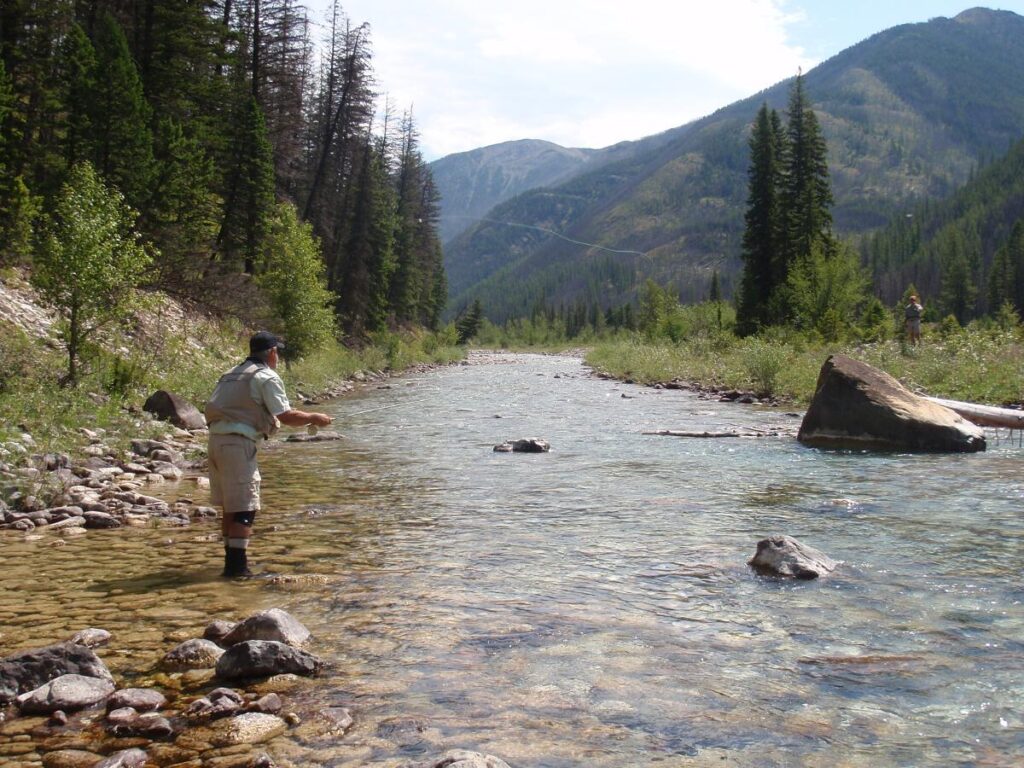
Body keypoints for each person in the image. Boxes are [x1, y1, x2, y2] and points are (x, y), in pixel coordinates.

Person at [205, 331, 333, 577]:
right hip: (238, 445)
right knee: (244, 507)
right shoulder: (266, 376)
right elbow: (285, 416)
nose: (278, 357)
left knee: (230, 507)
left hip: (215, 442)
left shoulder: (231, 373)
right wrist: (315, 417)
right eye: (278, 352)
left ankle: (231, 564)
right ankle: (237, 569)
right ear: (272, 352)